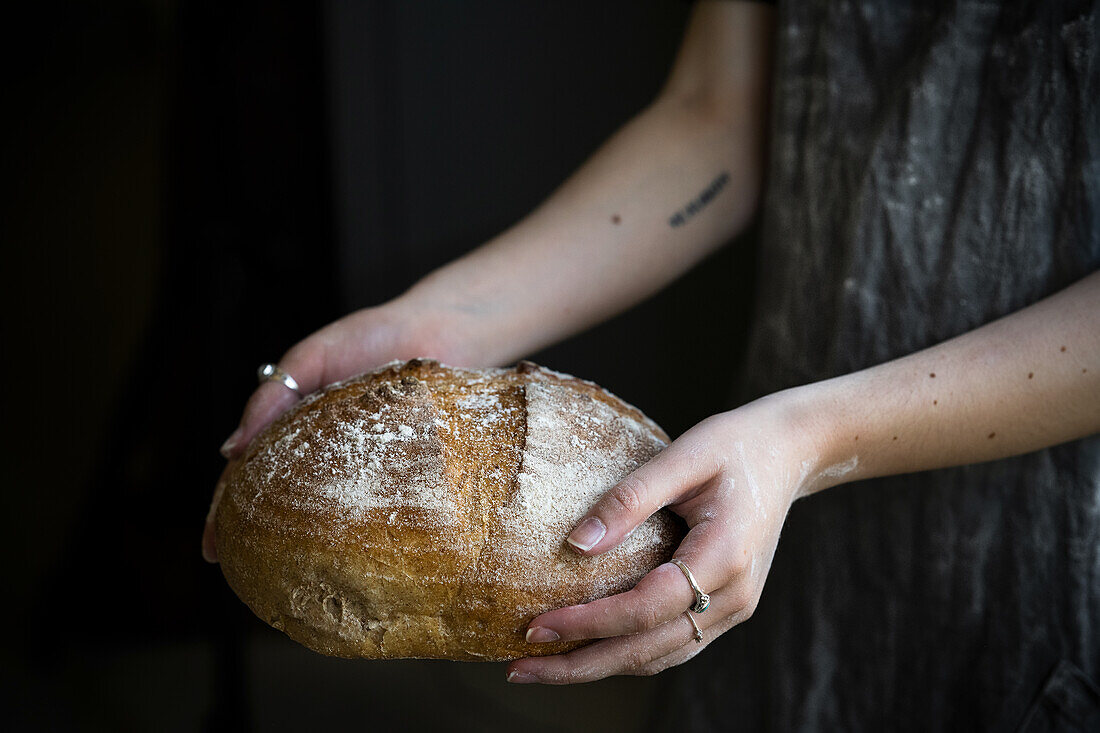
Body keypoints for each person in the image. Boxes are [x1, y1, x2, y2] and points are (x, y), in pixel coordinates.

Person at [204, 1, 1100, 729]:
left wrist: (814, 438)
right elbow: (717, 115)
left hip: (1026, 552)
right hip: (753, 519)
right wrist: (441, 319)